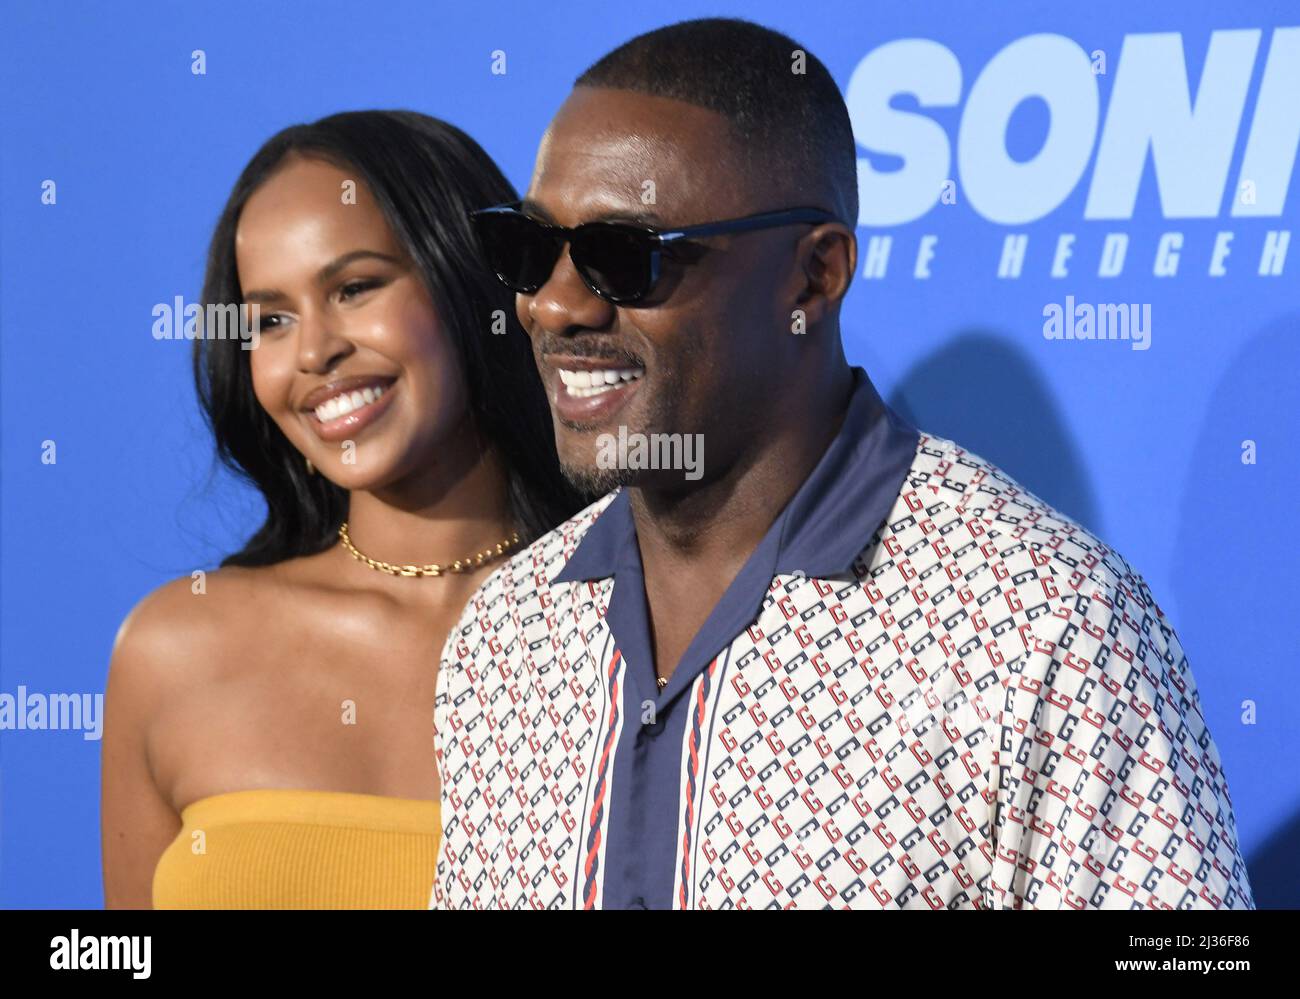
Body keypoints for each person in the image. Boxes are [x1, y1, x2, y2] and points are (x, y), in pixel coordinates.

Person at [432, 18, 1255, 909]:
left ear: (814, 277)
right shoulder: (504, 638)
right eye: (527, 249)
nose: (553, 306)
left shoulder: (1038, 623)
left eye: (625, 257)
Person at [101, 110, 585, 908]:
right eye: (271, 321)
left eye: (355, 287)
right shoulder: (170, 649)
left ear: (472, 280)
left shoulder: (642, 624)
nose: (314, 350)